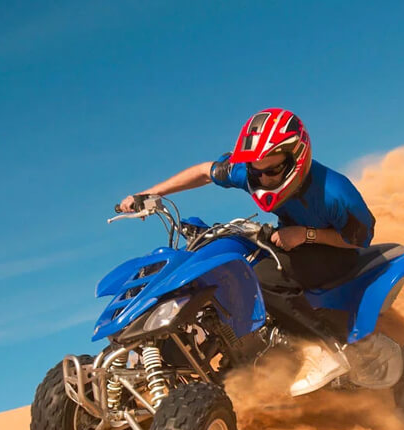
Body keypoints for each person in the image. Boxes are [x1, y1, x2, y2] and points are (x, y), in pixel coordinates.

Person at [117, 108, 376, 396]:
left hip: (334, 250)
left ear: (297, 158)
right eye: (256, 170)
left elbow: (359, 239)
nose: (263, 178)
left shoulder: (335, 192)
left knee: (263, 277)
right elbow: (205, 172)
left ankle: (325, 349)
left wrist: (306, 234)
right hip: (286, 240)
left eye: (272, 170)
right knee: (227, 271)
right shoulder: (251, 170)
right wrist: (151, 194)